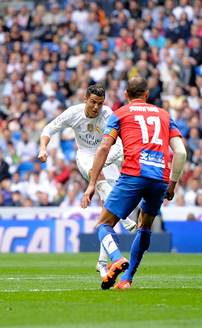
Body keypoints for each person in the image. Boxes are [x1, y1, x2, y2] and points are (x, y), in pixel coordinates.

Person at [81, 77, 186, 290]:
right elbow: (181, 152)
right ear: (147, 95)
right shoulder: (165, 115)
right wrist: (172, 184)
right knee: (144, 227)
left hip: (133, 175)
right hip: (160, 178)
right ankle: (127, 279)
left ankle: (116, 258)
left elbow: (103, 148)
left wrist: (92, 183)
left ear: (126, 95)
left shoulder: (120, 114)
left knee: (103, 224)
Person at [38, 85, 137, 277]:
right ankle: (124, 216)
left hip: (109, 153)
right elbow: (49, 128)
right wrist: (43, 148)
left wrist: (105, 161)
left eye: (100, 103)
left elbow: (121, 144)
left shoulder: (109, 114)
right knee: (97, 176)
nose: (97, 107)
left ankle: (102, 262)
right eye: (93, 102)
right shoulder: (73, 113)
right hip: (85, 156)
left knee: (107, 212)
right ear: (85, 99)